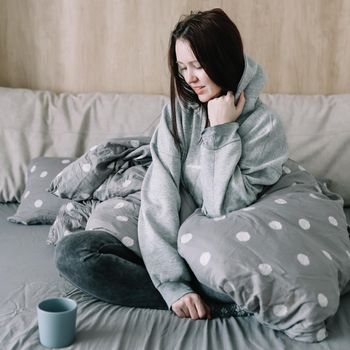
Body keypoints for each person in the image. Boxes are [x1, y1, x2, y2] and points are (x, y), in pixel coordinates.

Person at [55, 8, 288, 320]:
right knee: (73, 254)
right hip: (163, 242)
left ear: (225, 59)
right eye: (182, 68)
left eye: (198, 65)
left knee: (231, 276)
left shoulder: (264, 128)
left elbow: (224, 207)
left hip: (216, 253)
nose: (189, 78)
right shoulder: (178, 114)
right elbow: (159, 193)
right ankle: (186, 298)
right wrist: (170, 283)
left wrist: (222, 132)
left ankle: (210, 300)